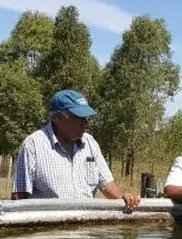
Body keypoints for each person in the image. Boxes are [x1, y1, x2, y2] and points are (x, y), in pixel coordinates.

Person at [11, 89, 140, 209]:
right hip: (49, 228)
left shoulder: (89, 143)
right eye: (78, 117)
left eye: (85, 118)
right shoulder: (33, 145)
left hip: (85, 226)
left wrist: (123, 197)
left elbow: (107, 185)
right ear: (58, 118)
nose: (85, 123)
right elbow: (19, 196)